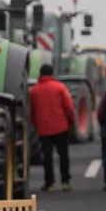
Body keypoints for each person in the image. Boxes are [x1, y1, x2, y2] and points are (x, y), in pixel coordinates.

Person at [28, 64, 75, 192]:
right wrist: (71, 122)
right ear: (52, 73)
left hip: (43, 129)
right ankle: (65, 182)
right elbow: (69, 107)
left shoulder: (34, 90)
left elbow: (32, 111)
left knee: (47, 157)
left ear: (40, 74)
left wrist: (35, 124)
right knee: (63, 155)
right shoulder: (60, 87)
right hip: (61, 127)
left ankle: (50, 183)